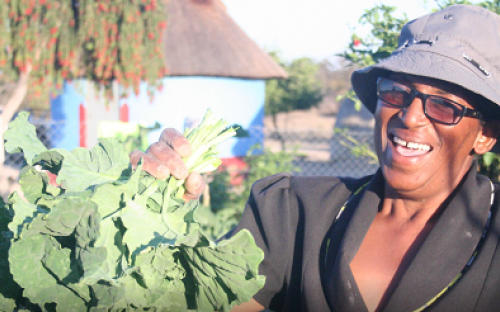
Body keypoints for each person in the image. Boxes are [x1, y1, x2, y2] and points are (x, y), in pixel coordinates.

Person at [130, 4, 500, 312]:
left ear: (485, 135)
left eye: (444, 106)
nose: (411, 116)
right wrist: (154, 210)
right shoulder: (291, 214)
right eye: (397, 93)